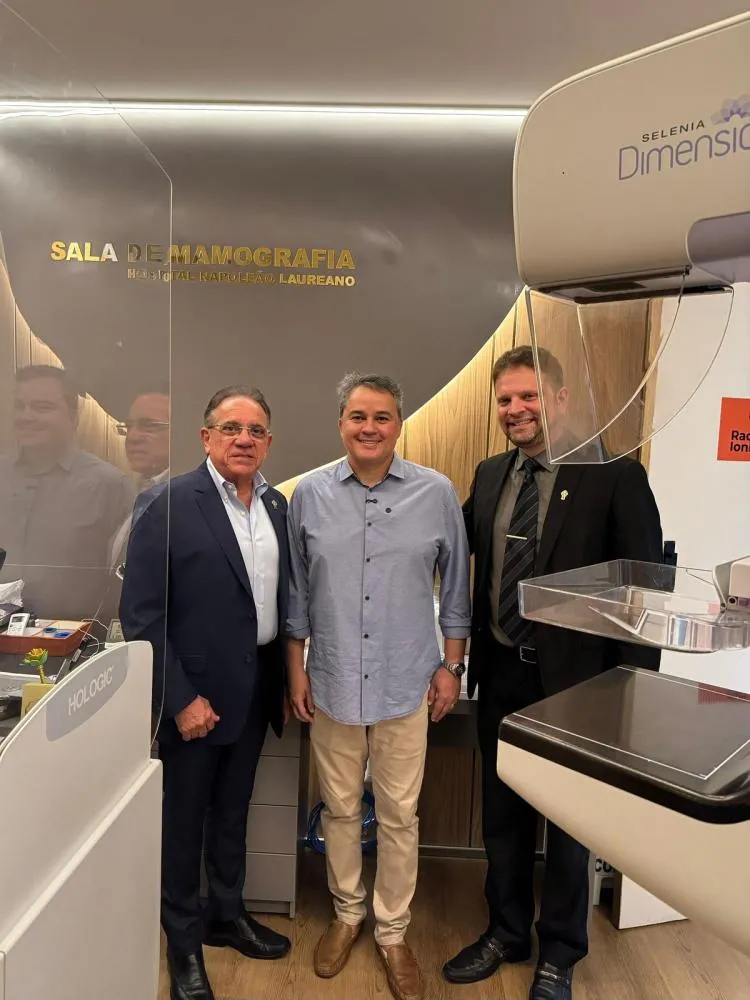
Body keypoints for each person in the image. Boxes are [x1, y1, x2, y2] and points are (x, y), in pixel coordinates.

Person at [443, 346, 663, 1000]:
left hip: (580, 686)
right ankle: (507, 932)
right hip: (502, 673)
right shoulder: (490, 475)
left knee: (570, 824)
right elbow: (449, 546)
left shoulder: (615, 475)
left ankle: (560, 953)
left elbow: (645, 591)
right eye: (505, 399)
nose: (516, 410)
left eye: (529, 396)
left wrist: (631, 691)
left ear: (561, 399)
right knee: (502, 812)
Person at [286, 372, 471, 1000]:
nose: (370, 428)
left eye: (382, 417)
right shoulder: (309, 495)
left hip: (407, 680)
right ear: (341, 423)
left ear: (399, 424)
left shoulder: (435, 492)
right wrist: (296, 668)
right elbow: (296, 592)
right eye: (358, 416)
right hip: (333, 678)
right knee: (339, 808)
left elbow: (457, 588)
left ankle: (392, 931)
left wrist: (451, 666)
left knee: (399, 814)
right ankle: (347, 914)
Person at [120, 385, 292, 1000]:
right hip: (194, 701)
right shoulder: (166, 503)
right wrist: (179, 699)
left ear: (268, 441)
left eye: (256, 430)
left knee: (232, 814)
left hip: (254, 691)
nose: (244, 439)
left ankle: (226, 914)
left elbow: (274, 601)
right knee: (183, 825)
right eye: (231, 428)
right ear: (206, 437)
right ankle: (184, 945)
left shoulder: (275, 506)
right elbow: (142, 615)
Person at [0, 364, 134, 619]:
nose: (26, 416)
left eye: (41, 407)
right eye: (20, 406)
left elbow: (124, 581)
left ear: (73, 417)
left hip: (74, 639)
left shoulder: (110, 486)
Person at [109, 385, 171, 572]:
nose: (132, 437)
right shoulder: (132, 493)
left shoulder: (189, 499)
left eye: (149, 426)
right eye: (129, 426)